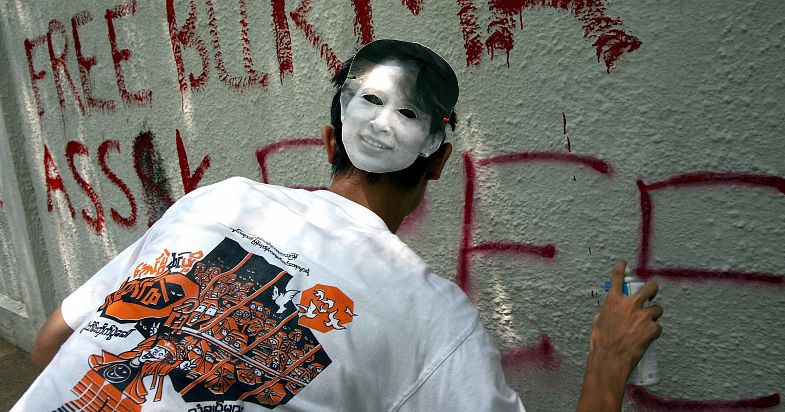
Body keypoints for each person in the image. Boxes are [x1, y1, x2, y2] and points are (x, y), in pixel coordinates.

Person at [16, 39, 662, 411]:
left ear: (327, 139)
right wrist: (606, 365)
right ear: (438, 164)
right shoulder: (433, 322)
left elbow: (51, 346)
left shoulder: (217, 202)